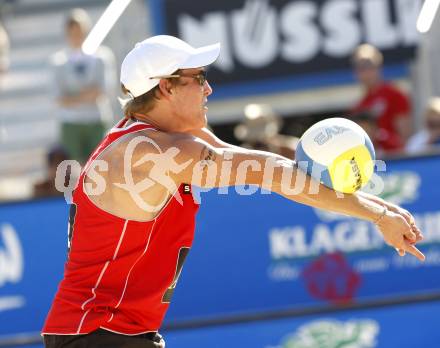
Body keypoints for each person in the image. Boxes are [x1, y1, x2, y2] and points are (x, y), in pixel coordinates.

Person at [42, 35, 424, 348]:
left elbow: (273, 168)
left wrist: (379, 208)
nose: (209, 87)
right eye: (199, 76)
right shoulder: (146, 152)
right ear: (165, 87)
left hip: (116, 331)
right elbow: (271, 173)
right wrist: (377, 215)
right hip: (94, 331)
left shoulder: (173, 138)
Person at [51, 8, 116, 164]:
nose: (76, 36)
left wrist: (73, 97)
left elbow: (104, 91)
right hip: (71, 123)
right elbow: (59, 98)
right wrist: (88, 94)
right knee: (74, 169)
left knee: (99, 166)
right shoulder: (58, 61)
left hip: (96, 120)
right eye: (72, 32)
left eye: (79, 31)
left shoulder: (102, 57)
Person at [350, 44, 412, 153]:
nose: (366, 72)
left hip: (395, 158)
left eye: (370, 65)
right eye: (361, 68)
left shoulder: (395, 95)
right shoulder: (358, 106)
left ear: (379, 67)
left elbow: (404, 137)